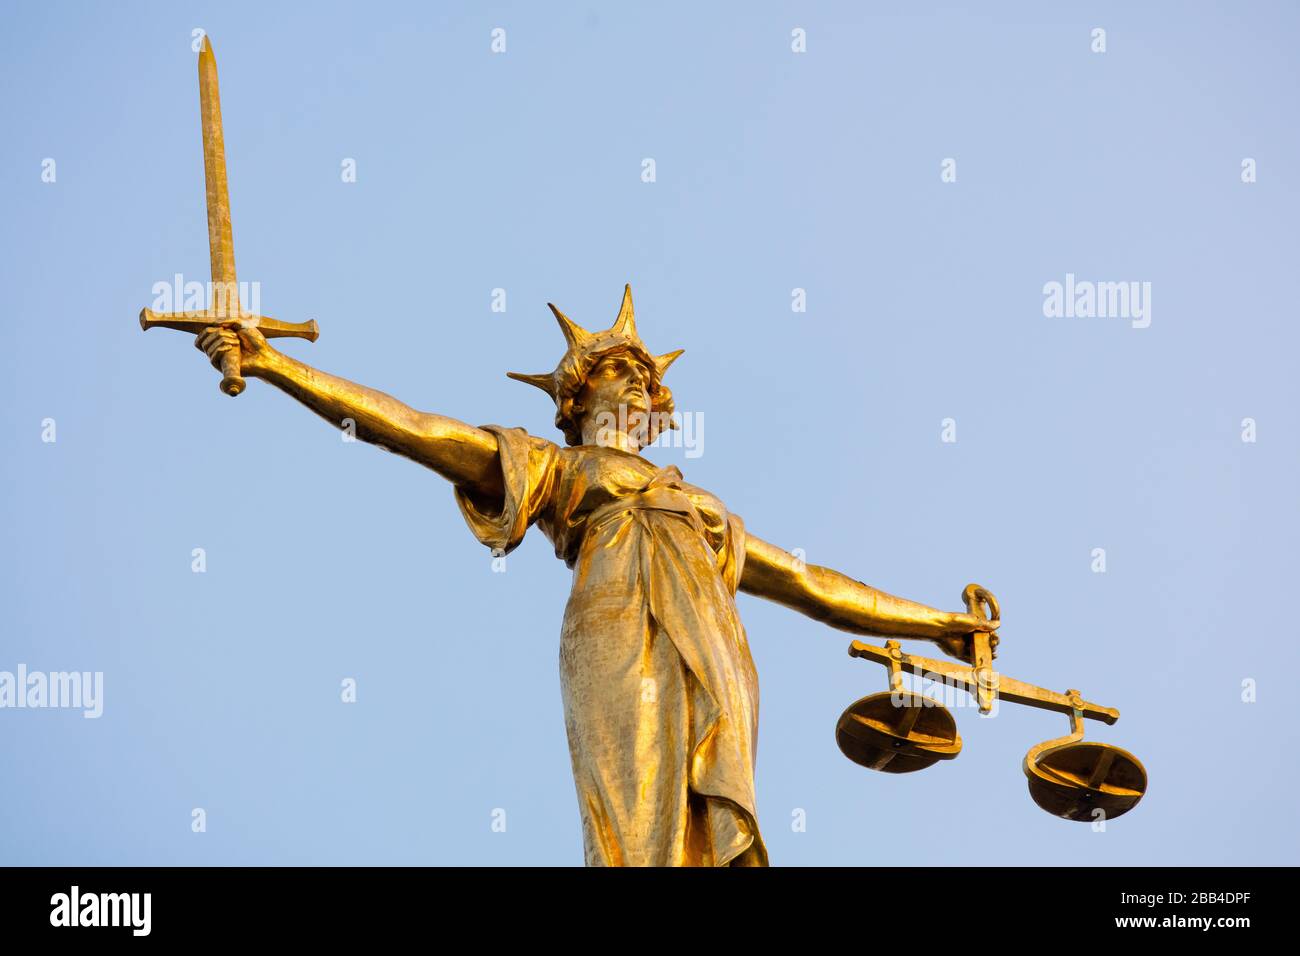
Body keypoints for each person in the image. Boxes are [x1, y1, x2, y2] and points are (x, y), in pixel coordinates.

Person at [195, 284, 999, 866]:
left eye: (649, 380)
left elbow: (813, 584)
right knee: (634, 808)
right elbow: (413, 429)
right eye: (624, 373)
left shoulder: (702, 507)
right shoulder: (560, 469)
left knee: (697, 812)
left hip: (718, 658)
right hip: (618, 637)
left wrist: (940, 626)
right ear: (579, 397)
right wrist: (275, 367)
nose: (643, 386)